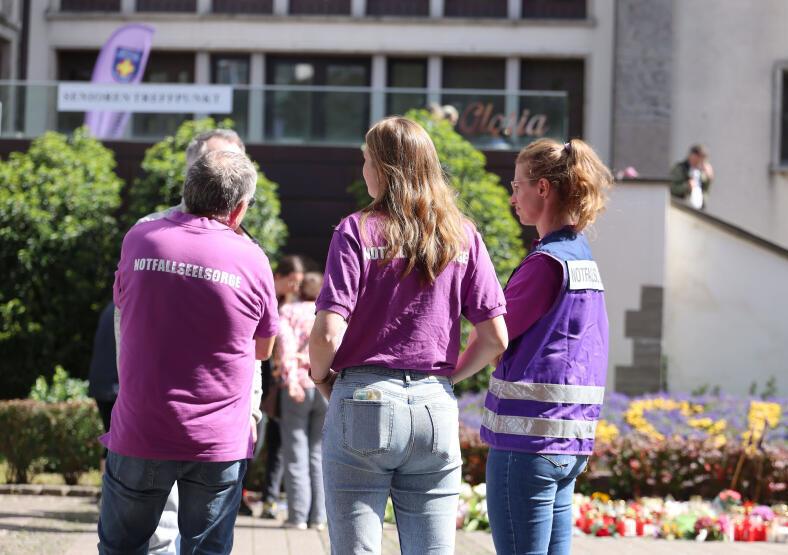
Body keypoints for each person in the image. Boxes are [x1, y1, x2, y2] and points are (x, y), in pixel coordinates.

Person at [309, 116, 508, 555]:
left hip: (363, 397)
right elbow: (495, 338)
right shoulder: (461, 235)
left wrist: (321, 378)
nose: (363, 169)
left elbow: (326, 332)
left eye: (366, 160)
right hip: (434, 406)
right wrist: (446, 380)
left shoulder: (356, 230)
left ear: (383, 168)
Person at [97, 150, 279, 555]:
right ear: (239, 210)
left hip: (141, 427)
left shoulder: (140, 238)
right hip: (218, 439)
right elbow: (263, 349)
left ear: (187, 190)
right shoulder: (252, 259)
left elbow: (125, 309)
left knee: (121, 548)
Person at [131, 128, 263, 553]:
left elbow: (253, 348)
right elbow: (125, 323)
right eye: (217, 163)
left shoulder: (248, 246)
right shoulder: (147, 232)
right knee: (155, 536)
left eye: (237, 165)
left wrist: (252, 408)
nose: (227, 176)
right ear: (193, 173)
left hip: (220, 425)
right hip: (151, 415)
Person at [481, 138, 612, 555]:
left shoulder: (544, 263)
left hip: (526, 445)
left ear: (542, 188)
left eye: (517, 185)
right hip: (570, 443)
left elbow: (493, 338)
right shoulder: (581, 258)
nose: (512, 197)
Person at [254, 254, 305, 519]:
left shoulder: (291, 307)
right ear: (278, 277)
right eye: (292, 281)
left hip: (279, 386)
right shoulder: (266, 298)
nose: (295, 287)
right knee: (255, 442)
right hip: (258, 381)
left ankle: (270, 499)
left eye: (299, 283)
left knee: (276, 444)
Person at [277, 272, 327, 530]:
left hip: (298, 385)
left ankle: (297, 516)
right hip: (324, 385)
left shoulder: (289, 311)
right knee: (319, 453)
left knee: (295, 452)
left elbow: (285, 347)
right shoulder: (328, 312)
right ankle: (318, 517)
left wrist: (291, 380)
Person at [87, 301, 119, 474]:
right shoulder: (129, 309)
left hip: (101, 383)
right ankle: (109, 486)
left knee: (111, 437)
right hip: (116, 385)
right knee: (118, 440)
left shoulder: (110, 308)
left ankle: (104, 486)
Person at [670, 144, 714, 210]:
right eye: (700, 157)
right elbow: (671, 188)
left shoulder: (701, 172)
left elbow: (705, 191)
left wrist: (709, 178)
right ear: (693, 156)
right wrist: (686, 186)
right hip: (681, 208)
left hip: (698, 210)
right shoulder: (680, 168)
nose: (701, 161)